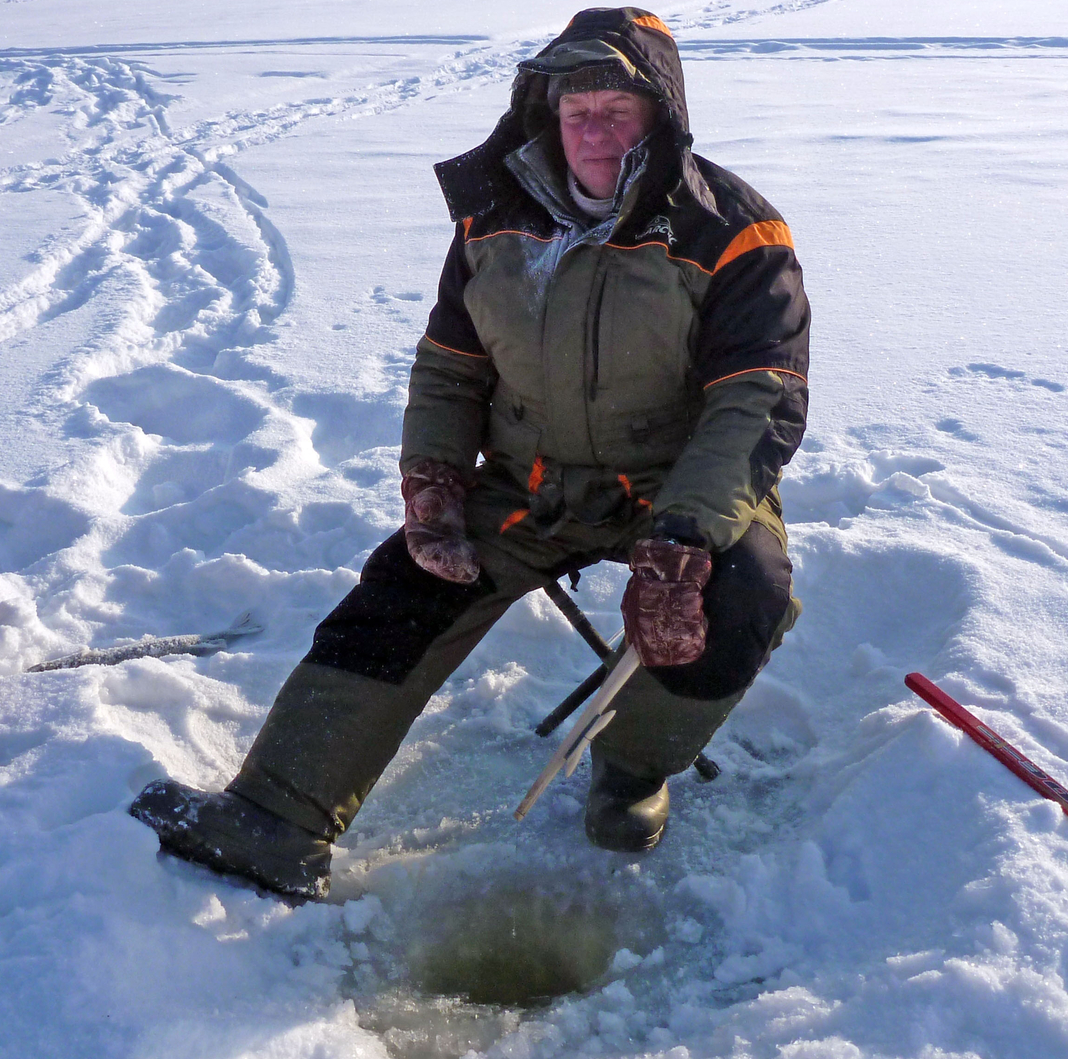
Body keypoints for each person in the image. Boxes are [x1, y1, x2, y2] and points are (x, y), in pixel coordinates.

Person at [129, 6, 810, 899]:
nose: (594, 129)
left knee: (744, 594)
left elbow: (757, 398)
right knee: (402, 589)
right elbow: (450, 369)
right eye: (577, 111)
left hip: (680, 486)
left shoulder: (736, 233)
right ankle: (277, 817)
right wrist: (435, 483)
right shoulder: (494, 219)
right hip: (531, 484)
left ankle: (631, 772)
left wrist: (683, 537)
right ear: (547, 115)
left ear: (662, 116)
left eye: (617, 108)